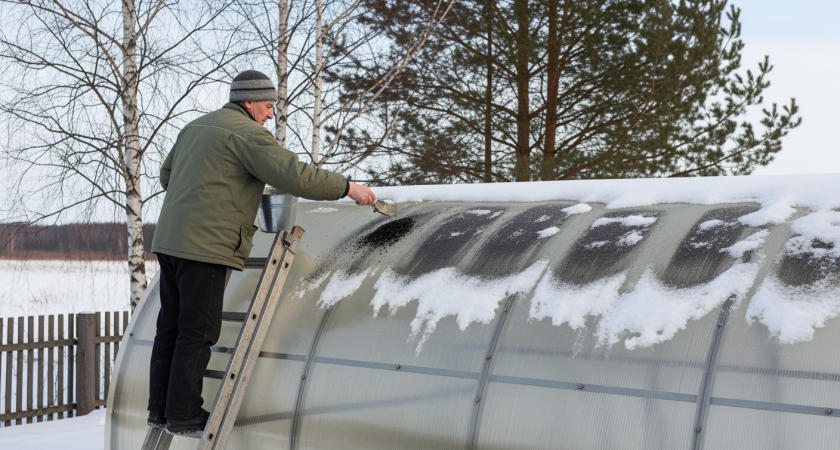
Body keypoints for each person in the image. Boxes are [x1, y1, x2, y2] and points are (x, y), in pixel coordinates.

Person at [147, 70, 376, 436]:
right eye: (268, 107)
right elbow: (295, 176)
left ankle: (159, 410)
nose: (271, 115)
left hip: (170, 241)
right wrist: (347, 187)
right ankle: (185, 414)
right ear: (249, 101)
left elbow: (166, 177)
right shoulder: (248, 135)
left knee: (170, 328)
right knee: (198, 331)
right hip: (207, 245)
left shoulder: (195, 128)